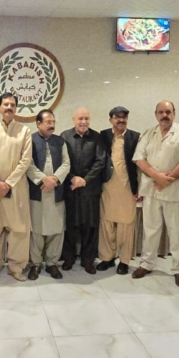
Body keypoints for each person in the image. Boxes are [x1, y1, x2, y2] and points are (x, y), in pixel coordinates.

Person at [131, 101, 179, 288]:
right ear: (156, 115)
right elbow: (139, 159)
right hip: (152, 190)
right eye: (161, 112)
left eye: (168, 112)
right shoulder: (148, 134)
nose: (164, 115)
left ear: (174, 113)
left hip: (175, 191)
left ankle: (178, 269)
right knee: (150, 230)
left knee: (178, 232)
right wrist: (157, 177)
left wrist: (167, 179)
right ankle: (146, 264)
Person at [0, 93, 33, 282]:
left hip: (17, 188)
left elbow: (25, 161)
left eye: (12, 104)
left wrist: (8, 183)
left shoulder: (24, 131)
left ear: (16, 108)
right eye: (5, 104)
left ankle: (16, 267)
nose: (9, 107)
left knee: (19, 229)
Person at [26, 109, 71, 280]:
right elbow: (28, 164)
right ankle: (35, 264)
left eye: (53, 122)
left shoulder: (60, 141)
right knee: (36, 230)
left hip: (55, 191)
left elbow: (66, 164)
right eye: (48, 122)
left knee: (56, 229)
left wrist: (55, 179)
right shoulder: (30, 140)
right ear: (38, 123)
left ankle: (52, 263)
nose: (51, 125)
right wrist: (43, 179)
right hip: (38, 191)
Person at [60, 107, 106, 274]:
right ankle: (69, 258)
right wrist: (73, 178)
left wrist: (84, 180)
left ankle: (88, 260)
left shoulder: (97, 137)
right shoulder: (64, 137)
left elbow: (100, 162)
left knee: (90, 226)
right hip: (70, 188)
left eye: (86, 118)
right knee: (70, 224)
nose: (83, 122)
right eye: (80, 118)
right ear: (73, 120)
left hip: (90, 189)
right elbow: (61, 162)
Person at [98, 106, 141, 275]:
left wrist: (140, 188)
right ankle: (107, 258)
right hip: (107, 187)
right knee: (106, 224)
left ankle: (124, 260)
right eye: (117, 117)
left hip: (127, 188)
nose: (121, 120)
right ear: (111, 120)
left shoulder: (135, 137)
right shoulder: (103, 135)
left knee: (126, 226)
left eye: (124, 117)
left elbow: (140, 164)